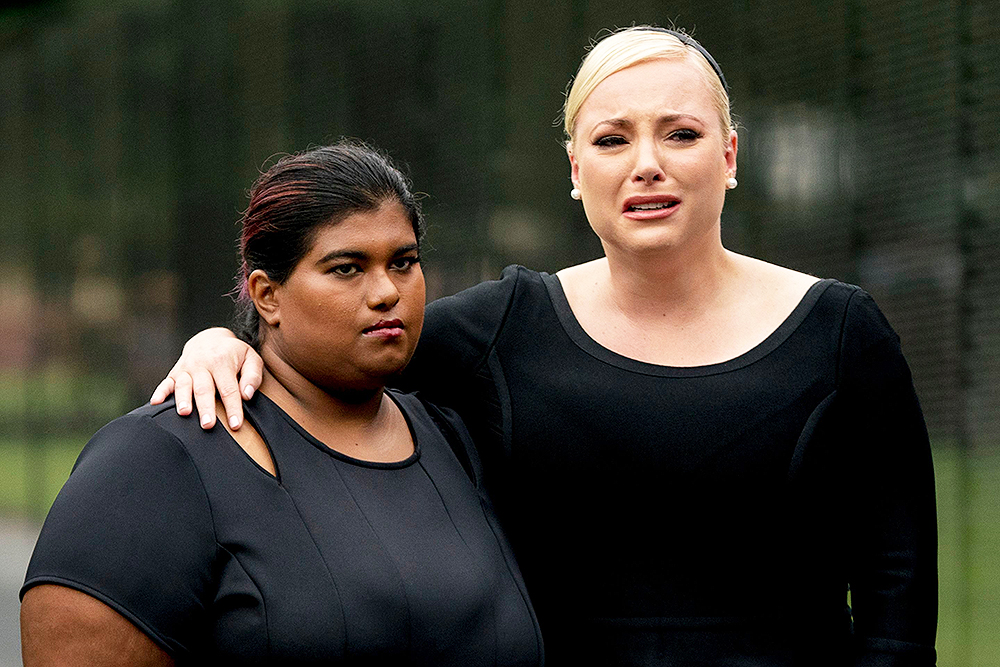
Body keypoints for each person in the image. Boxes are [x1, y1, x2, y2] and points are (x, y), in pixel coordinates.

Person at [148, 26, 938, 666]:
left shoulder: (841, 334)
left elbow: (897, 603)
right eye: (612, 139)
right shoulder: (500, 330)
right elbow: (330, 356)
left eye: (682, 133)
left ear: (729, 157)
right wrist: (225, 339)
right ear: (574, 168)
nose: (647, 166)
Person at [20, 142, 543, 666]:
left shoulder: (458, 439)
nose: (387, 291)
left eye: (403, 262)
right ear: (267, 295)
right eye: (346, 268)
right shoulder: (159, 457)